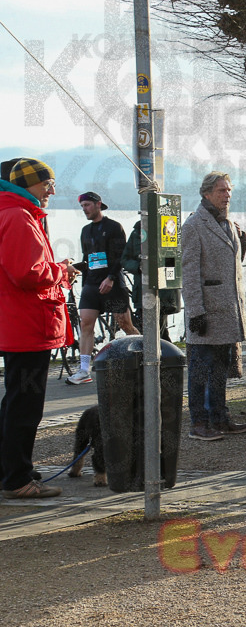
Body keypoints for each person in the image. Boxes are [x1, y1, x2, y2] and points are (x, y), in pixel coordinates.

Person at [0, 158, 77, 499]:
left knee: (15, 402)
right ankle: (17, 480)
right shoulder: (18, 216)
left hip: (18, 323)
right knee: (25, 404)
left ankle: (13, 469)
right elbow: (27, 272)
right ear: (27, 185)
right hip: (26, 325)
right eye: (46, 185)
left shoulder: (14, 212)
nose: (51, 191)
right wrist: (62, 271)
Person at [181, 172, 246, 441]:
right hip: (206, 312)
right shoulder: (193, 226)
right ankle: (198, 422)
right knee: (199, 370)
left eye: (229, 190)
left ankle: (220, 417)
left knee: (220, 368)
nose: (227, 195)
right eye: (222, 190)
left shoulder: (229, 224)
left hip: (227, 311)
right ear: (207, 193)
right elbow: (189, 273)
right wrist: (196, 312)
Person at [65, 191, 139, 385]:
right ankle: (83, 370)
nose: (84, 210)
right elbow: (88, 259)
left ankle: (147, 355)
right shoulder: (85, 230)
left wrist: (111, 278)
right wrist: (77, 272)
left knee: (124, 323)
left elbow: (120, 256)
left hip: (113, 282)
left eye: (87, 205)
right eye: (82, 207)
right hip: (92, 284)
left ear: (98, 205)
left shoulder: (114, 227)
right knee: (85, 324)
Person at [122, 219, 183, 341]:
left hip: (163, 292)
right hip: (142, 291)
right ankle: (166, 357)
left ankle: (160, 357)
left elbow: (176, 257)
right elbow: (125, 259)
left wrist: (159, 264)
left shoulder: (170, 228)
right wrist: (138, 267)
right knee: (153, 331)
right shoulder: (137, 232)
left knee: (156, 330)